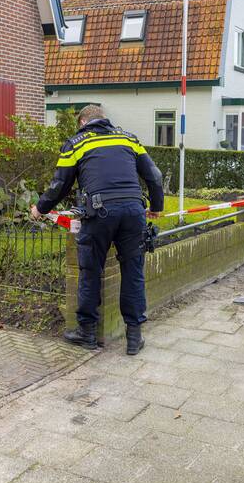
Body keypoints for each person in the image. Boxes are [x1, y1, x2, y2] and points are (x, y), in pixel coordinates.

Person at [31, 105, 164, 354]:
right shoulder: (129, 139)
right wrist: (156, 206)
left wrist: (41, 208)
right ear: (104, 120)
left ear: (83, 121)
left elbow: (60, 183)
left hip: (99, 213)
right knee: (133, 271)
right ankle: (134, 338)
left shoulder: (76, 144)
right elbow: (154, 176)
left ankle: (87, 334)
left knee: (90, 271)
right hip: (133, 212)